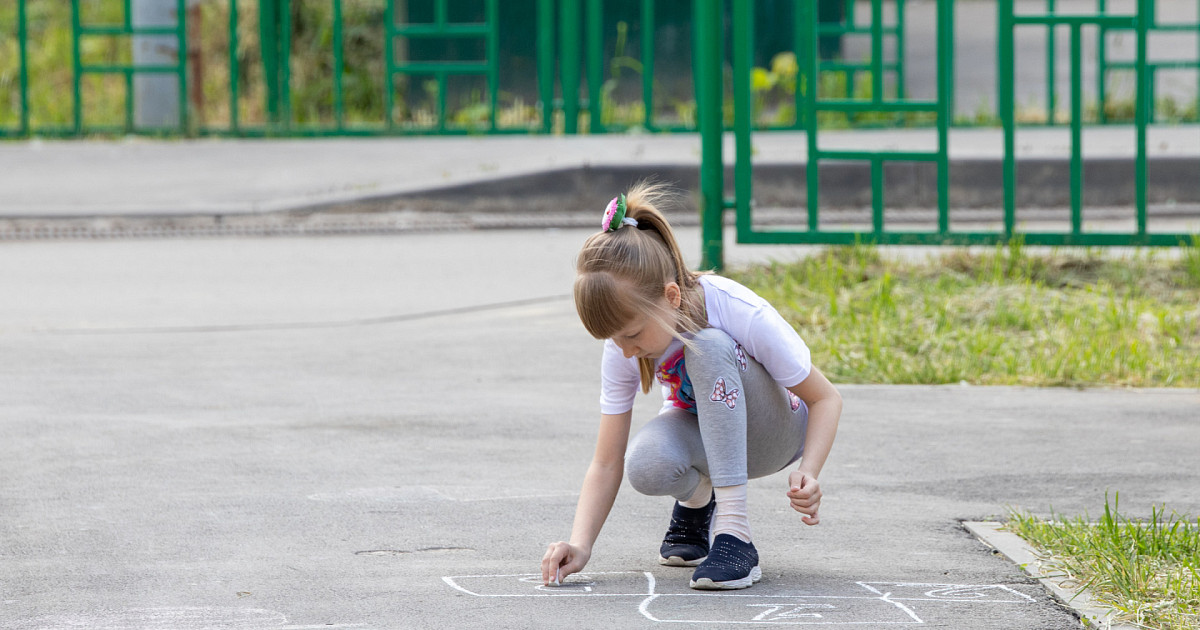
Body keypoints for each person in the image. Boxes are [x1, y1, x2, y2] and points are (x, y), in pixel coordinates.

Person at [541, 182, 842, 591]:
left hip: (775, 433)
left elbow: (825, 398)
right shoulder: (623, 343)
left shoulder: (733, 306)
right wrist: (580, 544)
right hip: (711, 440)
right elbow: (606, 460)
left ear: (671, 296)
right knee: (646, 465)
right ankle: (699, 500)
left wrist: (810, 471)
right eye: (615, 341)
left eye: (632, 335)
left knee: (707, 346)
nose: (627, 352)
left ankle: (735, 535)